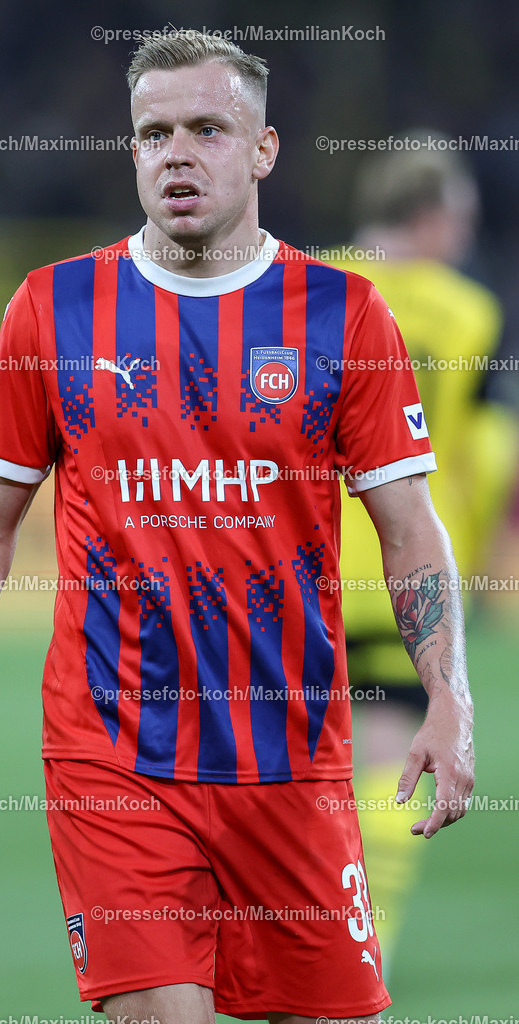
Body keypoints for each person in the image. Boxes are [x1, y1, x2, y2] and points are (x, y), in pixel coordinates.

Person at [0, 31, 475, 1024]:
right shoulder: (53, 308)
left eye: (206, 129)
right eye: (154, 134)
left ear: (263, 149)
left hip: (291, 759)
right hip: (112, 757)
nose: (177, 154)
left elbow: (409, 528)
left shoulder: (346, 316)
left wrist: (448, 697)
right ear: (132, 151)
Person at [329, 133, 515, 971]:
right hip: (406, 571)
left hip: (296, 569)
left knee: (292, 758)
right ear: (432, 216)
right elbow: (490, 452)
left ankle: (269, 928)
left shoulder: (306, 284)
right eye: (460, 219)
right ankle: (362, 938)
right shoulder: (470, 312)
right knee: (389, 759)